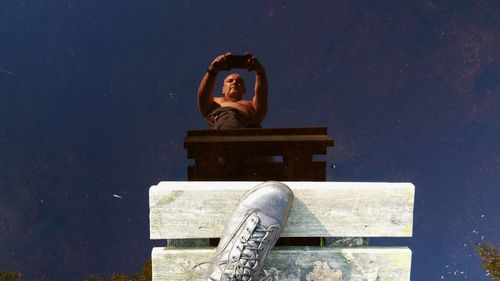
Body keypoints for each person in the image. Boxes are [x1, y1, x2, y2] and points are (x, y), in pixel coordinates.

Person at [198, 53, 268, 129]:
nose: (234, 82)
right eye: (230, 81)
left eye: (239, 82)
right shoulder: (215, 101)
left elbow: (261, 96)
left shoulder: (252, 105)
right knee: (229, 118)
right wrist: (212, 71)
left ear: (244, 90)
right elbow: (203, 97)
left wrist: (260, 72)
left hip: (249, 128)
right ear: (223, 89)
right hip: (227, 123)